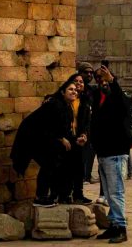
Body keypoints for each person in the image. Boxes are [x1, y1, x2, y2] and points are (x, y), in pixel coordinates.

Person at [10, 75, 81, 204]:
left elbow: (64, 130)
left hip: (45, 138)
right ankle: (40, 197)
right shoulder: (55, 104)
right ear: (62, 92)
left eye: (75, 90)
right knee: (49, 162)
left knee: (59, 160)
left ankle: (57, 194)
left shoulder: (66, 108)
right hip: (31, 137)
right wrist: (60, 139)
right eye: (70, 89)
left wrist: (75, 140)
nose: (74, 92)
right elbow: (46, 126)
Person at [91, 63, 132, 244]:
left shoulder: (119, 97)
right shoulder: (100, 99)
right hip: (104, 152)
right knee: (109, 193)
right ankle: (113, 225)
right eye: (98, 78)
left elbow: (122, 106)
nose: (102, 81)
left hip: (115, 151)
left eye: (104, 78)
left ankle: (121, 228)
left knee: (116, 192)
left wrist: (113, 82)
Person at [71, 73, 93, 204]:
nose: (79, 84)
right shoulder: (66, 98)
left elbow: (86, 121)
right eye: (76, 81)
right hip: (68, 138)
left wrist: (85, 134)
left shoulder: (85, 101)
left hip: (80, 138)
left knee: (80, 167)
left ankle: (78, 194)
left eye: (81, 82)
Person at [76, 61, 99, 182]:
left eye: (91, 73)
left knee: (90, 152)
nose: (89, 75)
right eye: (86, 72)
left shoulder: (91, 90)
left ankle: (86, 175)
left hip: (89, 127)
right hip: (76, 127)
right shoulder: (74, 89)